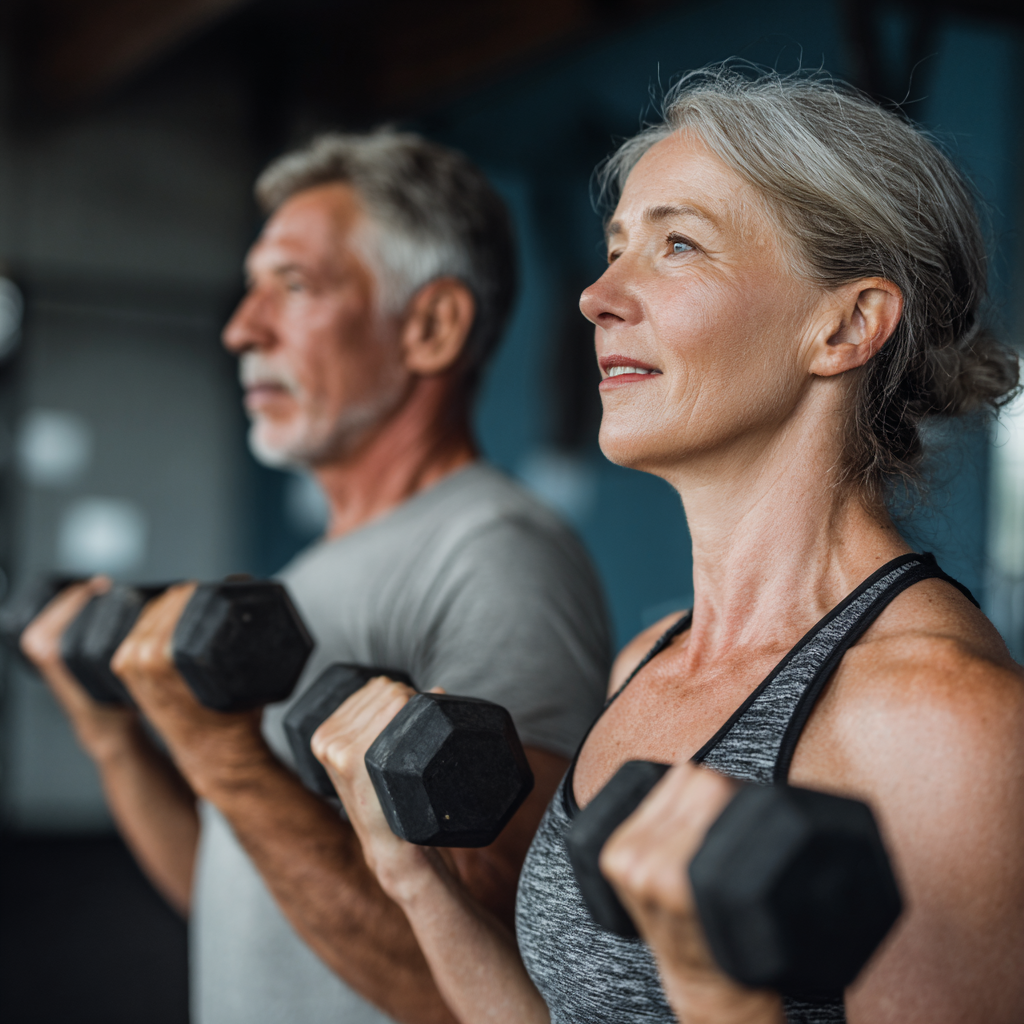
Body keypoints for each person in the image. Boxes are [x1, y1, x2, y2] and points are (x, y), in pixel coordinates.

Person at [310, 69, 1024, 1024]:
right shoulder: (645, 664)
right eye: (613, 251)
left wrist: (716, 995)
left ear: (846, 324)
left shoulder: (942, 722)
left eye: (678, 245)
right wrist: (413, 882)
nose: (597, 296)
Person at [20, 130, 611, 1024]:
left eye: (292, 287)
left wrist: (224, 755)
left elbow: (478, 988)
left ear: (431, 326)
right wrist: (118, 737)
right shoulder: (321, 566)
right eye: (254, 288)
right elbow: (235, 898)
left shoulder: (494, 551)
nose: (241, 327)